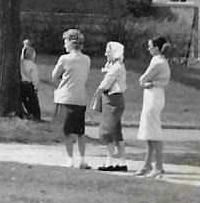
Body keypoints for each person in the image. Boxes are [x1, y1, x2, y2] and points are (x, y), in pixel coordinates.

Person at [47, 30, 92, 169]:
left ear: (71, 43)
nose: (64, 44)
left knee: (67, 131)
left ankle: (70, 159)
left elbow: (54, 76)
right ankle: (82, 159)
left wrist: (63, 76)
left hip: (66, 97)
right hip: (80, 98)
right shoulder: (87, 59)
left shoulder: (64, 59)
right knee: (80, 131)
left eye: (66, 41)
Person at [136, 36, 172, 177]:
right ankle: (147, 164)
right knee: (149, 132)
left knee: (154, 132)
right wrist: (147, 83)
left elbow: (143, 79)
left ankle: (158, 166)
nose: (148, 48)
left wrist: (147, 83)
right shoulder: (160, 60)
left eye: (150, 46)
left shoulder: (158, 61)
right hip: (154, 95)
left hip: (154, 96)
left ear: (157, 48)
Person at [93, 41, 128, 168]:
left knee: (108, 131)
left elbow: (106, 83)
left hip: (112, 100)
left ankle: (109, 162)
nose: (106, 54)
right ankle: (122, 162)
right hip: (116, 99)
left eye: (108, 52)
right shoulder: (117, 65)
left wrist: (98, 91)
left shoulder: (116, 67)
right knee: (117, 132)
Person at [18, 40, 41, 122]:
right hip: (29, 85)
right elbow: (35, 77)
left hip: (21, 85)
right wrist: (36, 87)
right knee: (33, 101)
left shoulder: (20, 64)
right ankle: (36, 116)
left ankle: (29, 113)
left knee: (24, 100)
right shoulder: (32, 65)